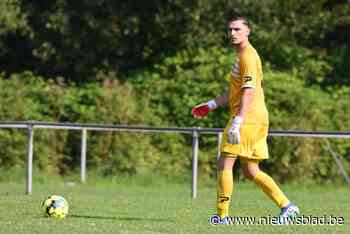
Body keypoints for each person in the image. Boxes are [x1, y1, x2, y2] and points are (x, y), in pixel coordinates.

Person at [191, 15, 299, 224]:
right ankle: (287, 206)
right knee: (251, 171)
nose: (233, 33)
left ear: (248, 31)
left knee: (225, 164)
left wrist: (238, 121)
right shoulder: (241, 56)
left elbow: (248, 93)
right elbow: (235, 91)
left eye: (237, 29)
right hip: (254, 118)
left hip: (247, 118)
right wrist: (211, 105)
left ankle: (222, 216)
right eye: (230, 30)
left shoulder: (248, 56)